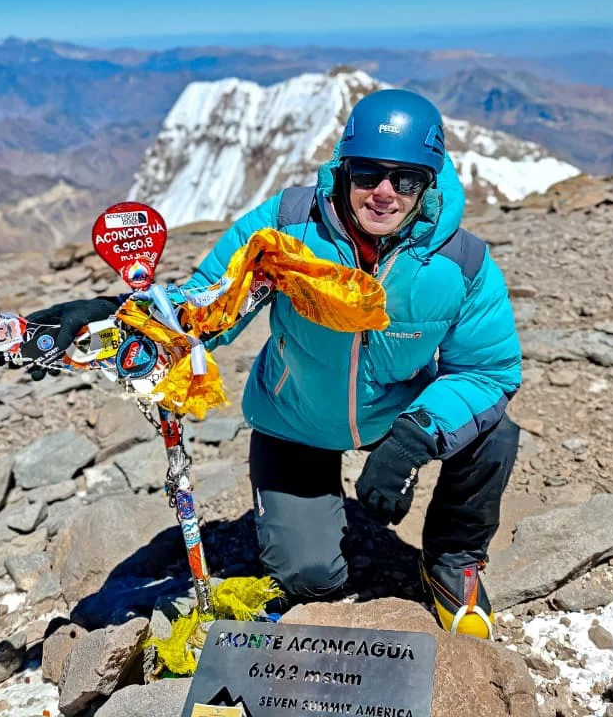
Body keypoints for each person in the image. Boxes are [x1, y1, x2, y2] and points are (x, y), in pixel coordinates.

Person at [27, 89, 522, 638]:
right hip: (297, 417)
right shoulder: (287, 226)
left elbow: (488, 371)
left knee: (492, 431)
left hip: (396, 412)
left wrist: (412, 438)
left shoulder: (461, 261)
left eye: (405, 179)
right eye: (367, 174)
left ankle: (455, 559)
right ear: (343, 167)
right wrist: (113, 317)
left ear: (430, 182)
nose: (384, 193)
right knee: (309, 580)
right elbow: (207, 308)